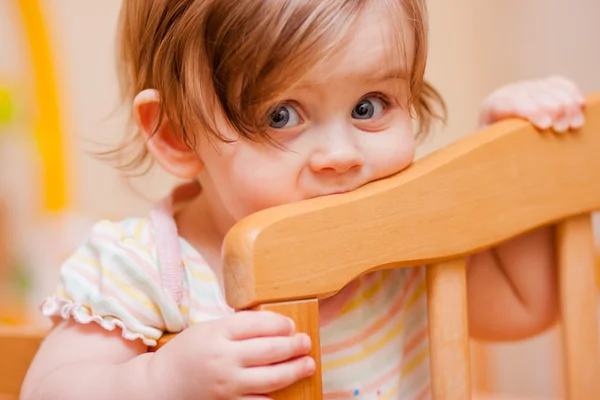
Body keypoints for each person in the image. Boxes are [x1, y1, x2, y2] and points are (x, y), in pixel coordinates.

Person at [22, 1, 587, 399]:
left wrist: (512, 159)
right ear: (176, 133)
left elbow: (523, 301)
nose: (339, 155)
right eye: (281, 115)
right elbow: (49, 390)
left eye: (369, 106)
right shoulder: (145, 267)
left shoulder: (405, 239)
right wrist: (159, 382)